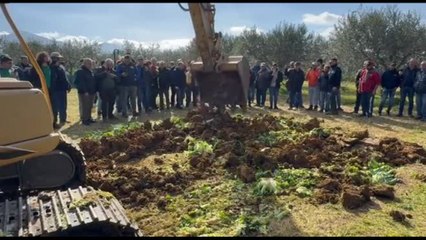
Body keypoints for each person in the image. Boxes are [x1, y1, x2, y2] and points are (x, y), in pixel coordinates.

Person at [50, 52, 71, 126]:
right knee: (55, 107)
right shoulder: (50, 67)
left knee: (63, 105)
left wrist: (68, 85)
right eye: (57, 58)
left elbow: (65, 78)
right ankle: (54, 122)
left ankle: (63, 119)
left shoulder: (61, 67)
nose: (59, 59)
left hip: (62, 89)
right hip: (55, 90)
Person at [75, 58, 96, 126]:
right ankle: (85, 119)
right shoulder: (80, 71)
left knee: (90, 106)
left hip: (91, 92)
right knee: (85, 106)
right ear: (84, 64)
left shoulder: (90, 71)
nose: (90, 65)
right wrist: (85, 91)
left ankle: (89, 118)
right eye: (88, 63)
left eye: (91, 63)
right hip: (84, 93)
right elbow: (81, 82)